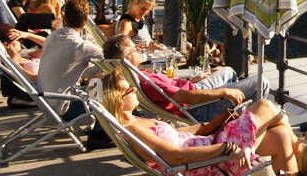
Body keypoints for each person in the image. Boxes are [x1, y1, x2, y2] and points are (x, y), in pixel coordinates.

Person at [99, 67, 307, 176]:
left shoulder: (135, 123)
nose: (133, 89)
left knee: (280, 135)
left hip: (211, 146)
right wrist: (226, 150)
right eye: (128, 89)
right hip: (211, 163)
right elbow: (176, 156)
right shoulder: (134, 130)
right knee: (265, 106)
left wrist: (210, 127)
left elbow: (181, 137)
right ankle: (302, 152)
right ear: (117, 100)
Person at [102, 33, 270, 123]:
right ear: (124, 59)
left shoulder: (137, 75)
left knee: (228, 71)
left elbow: (177, 90)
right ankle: (241, 124)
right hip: (198, 106)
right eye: (135, 50)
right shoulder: (146, 80)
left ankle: (230, 115)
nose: (139, 49)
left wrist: (192, 80)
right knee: (261, 83)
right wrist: (224, 91)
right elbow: (185, 97)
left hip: (194, 90)